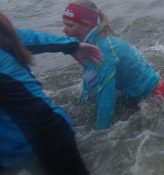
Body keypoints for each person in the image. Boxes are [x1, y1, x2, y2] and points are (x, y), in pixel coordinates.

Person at [1, 11, 103, 174]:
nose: (64, 29)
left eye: (70, 25)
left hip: (45, 139)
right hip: (25, 141)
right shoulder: (6, 34)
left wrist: (72, 45)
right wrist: (71, 45)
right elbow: (31, 38)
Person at [62, 0, 164, 130]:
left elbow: (106, 97)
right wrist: (82, 107)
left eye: (70, 25)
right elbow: (89, 81)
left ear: (86, 26)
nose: (64, 30)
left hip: (155, 97)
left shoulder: (103, 49)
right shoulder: (89, 43)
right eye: (64, 25)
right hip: (130, 95)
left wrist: (100, 134)